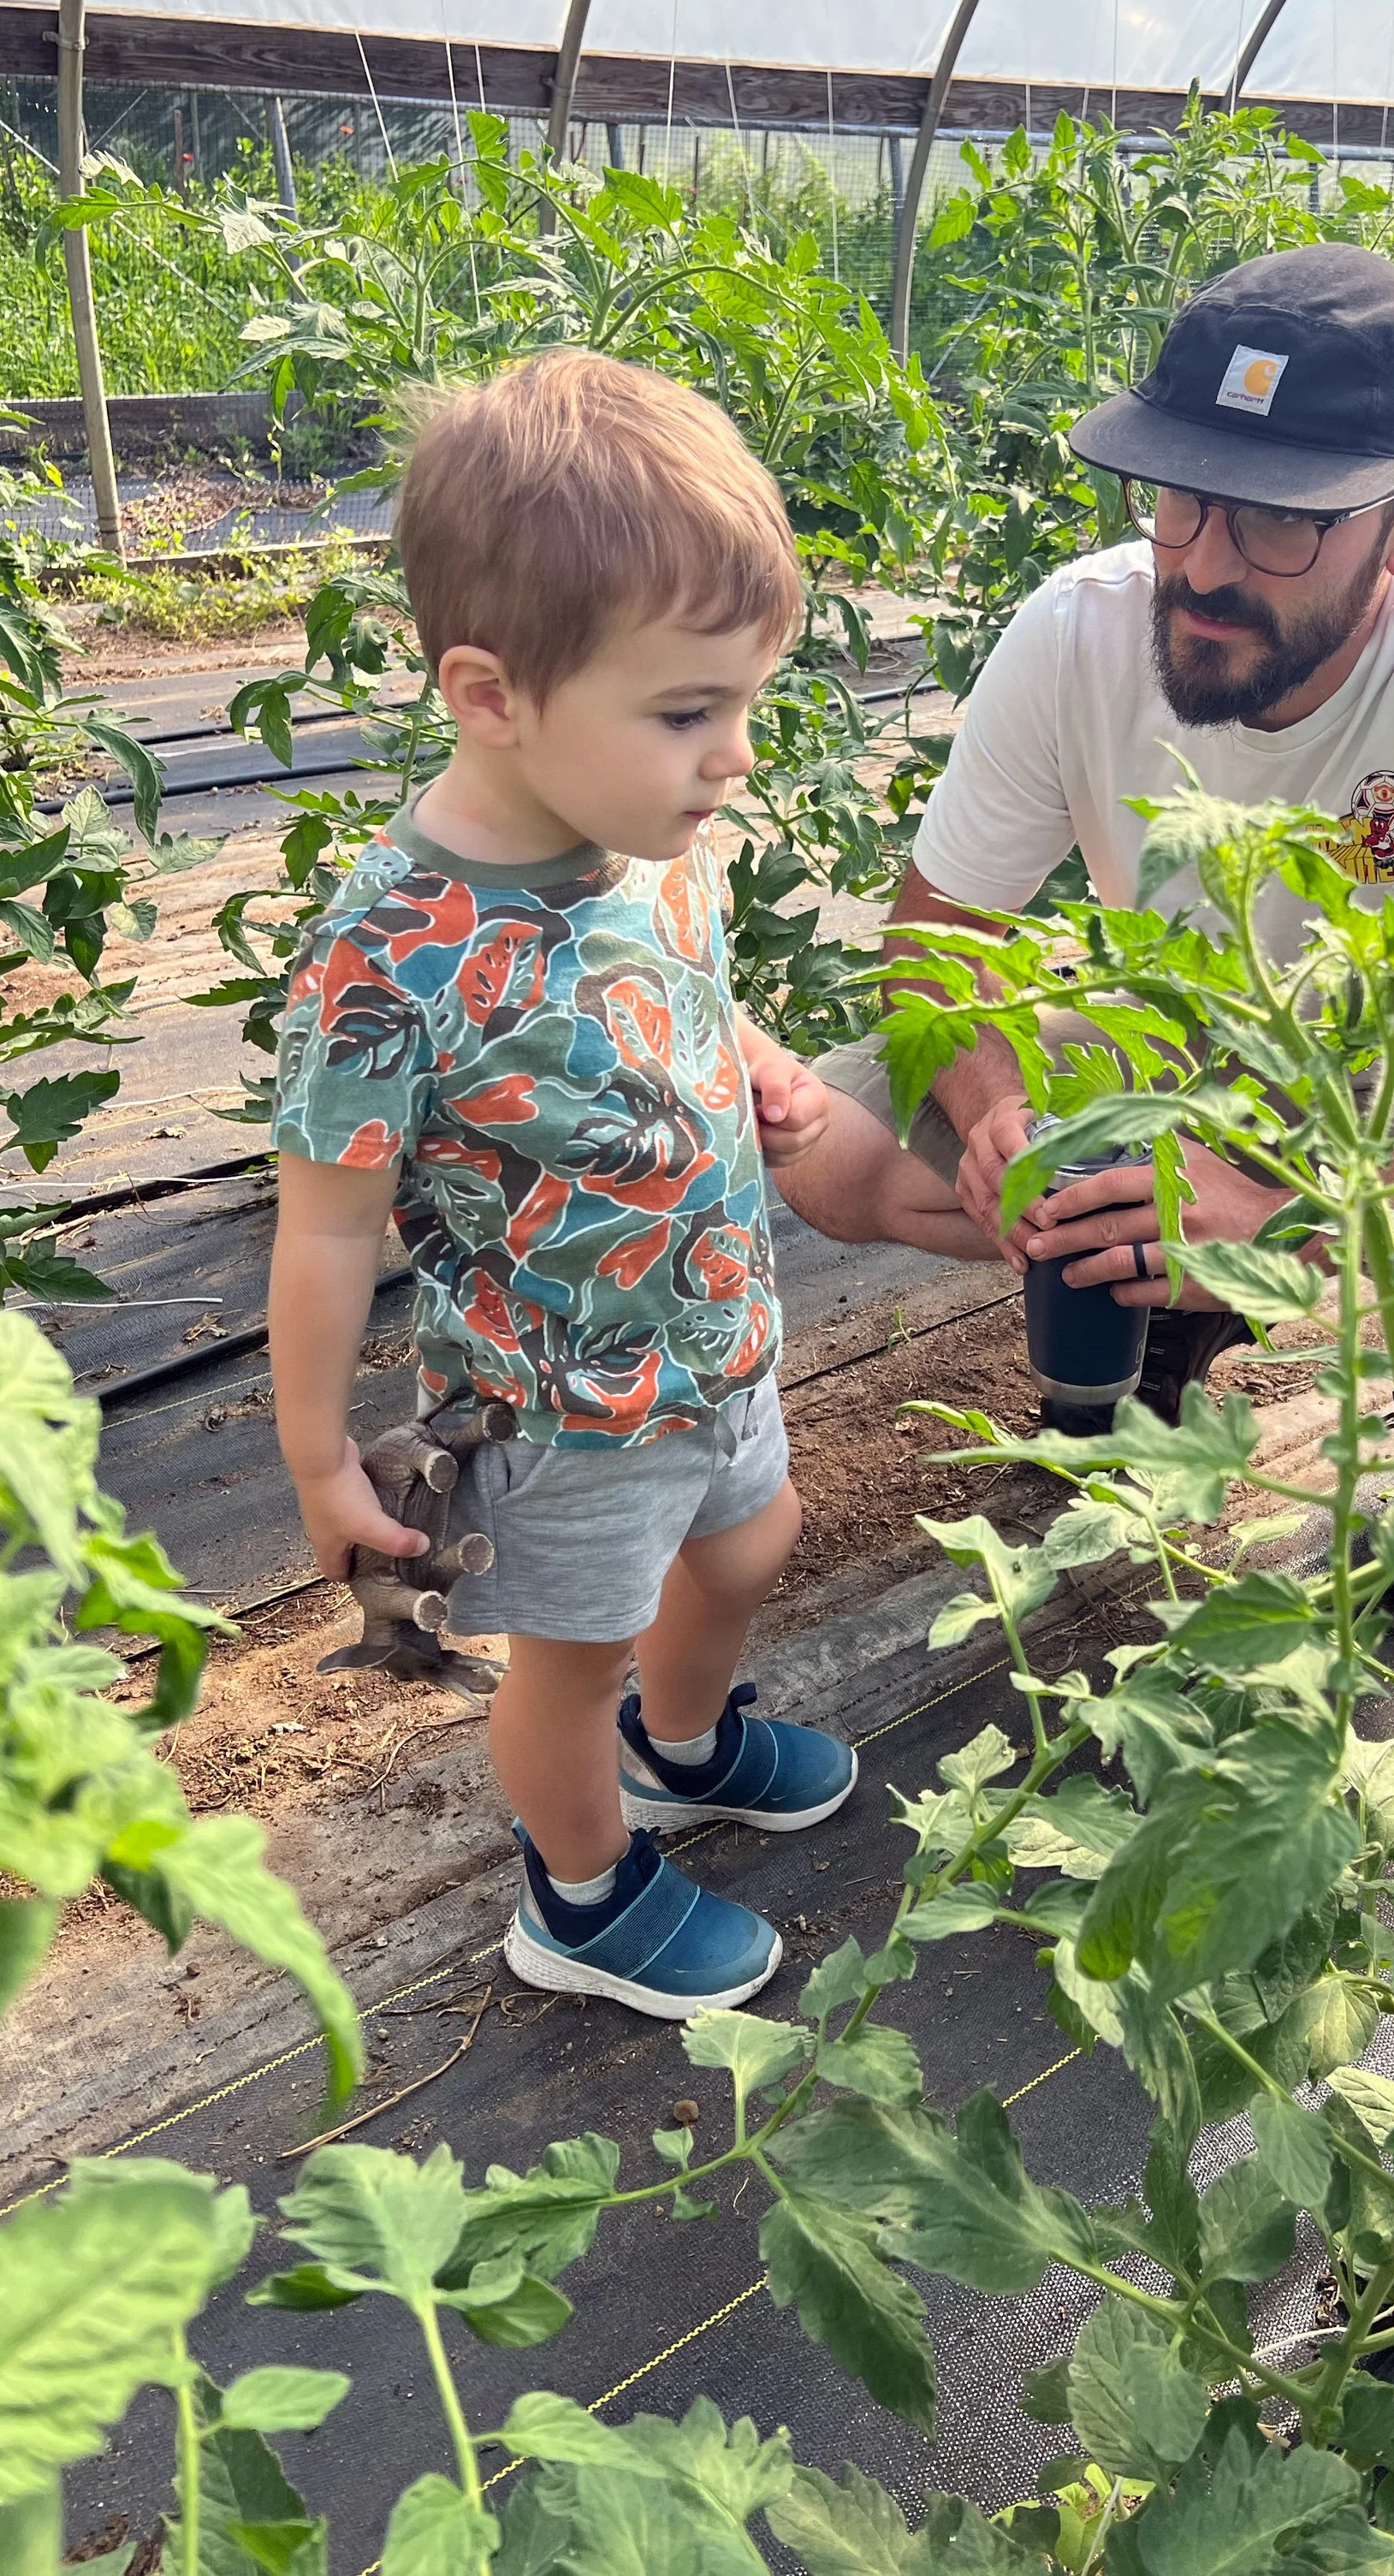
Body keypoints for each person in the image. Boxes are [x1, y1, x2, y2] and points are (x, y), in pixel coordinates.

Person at [777, 243, 1394, 1403]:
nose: (1203, 567)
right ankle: (1137, 1298)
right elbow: (931, 942)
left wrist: (1296, 1225)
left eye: (1277, 522)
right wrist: (1001, 1109)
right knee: (833, 1135)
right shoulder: (1081, 627)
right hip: (1190, 1056)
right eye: (1182, 498)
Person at [268, 350, 852, 2022]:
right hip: (560, 1405)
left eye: (742, 702)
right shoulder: (392, 954)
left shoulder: (648, 841)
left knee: (750, 1547)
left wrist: (747, 1052)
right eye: (687, 710)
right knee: (569, 1655)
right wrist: (319, 1457)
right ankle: (580, 1893)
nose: (731, 753)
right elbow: (323, 1226)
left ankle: (679, 1753)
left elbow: (674, 979)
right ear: (490, 691)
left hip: (715, 1335)